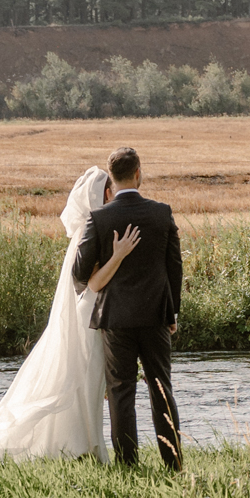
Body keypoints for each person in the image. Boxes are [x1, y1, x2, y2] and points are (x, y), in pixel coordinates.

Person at [0, 163, 141, 462]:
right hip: (90, 316)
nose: (113, 195)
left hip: (88, 313)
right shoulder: (94, 232)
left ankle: (82, 445)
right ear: (102, 196)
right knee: (85, 380)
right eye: (108, 191)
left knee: (85, 380)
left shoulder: (87, 231)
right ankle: (84, 446)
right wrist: (120, 255)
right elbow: (94, 283)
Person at [73, 144, 183, 468]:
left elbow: (80, 275)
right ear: (138, 173)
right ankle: (173, 464)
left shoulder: (100, 218)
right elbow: (174, 266)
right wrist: (172, 312)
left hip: (115, 319)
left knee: (121, 394)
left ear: (112, 179)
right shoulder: (162, 213)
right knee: (162, 390)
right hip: (155, 318)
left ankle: (127, 467)